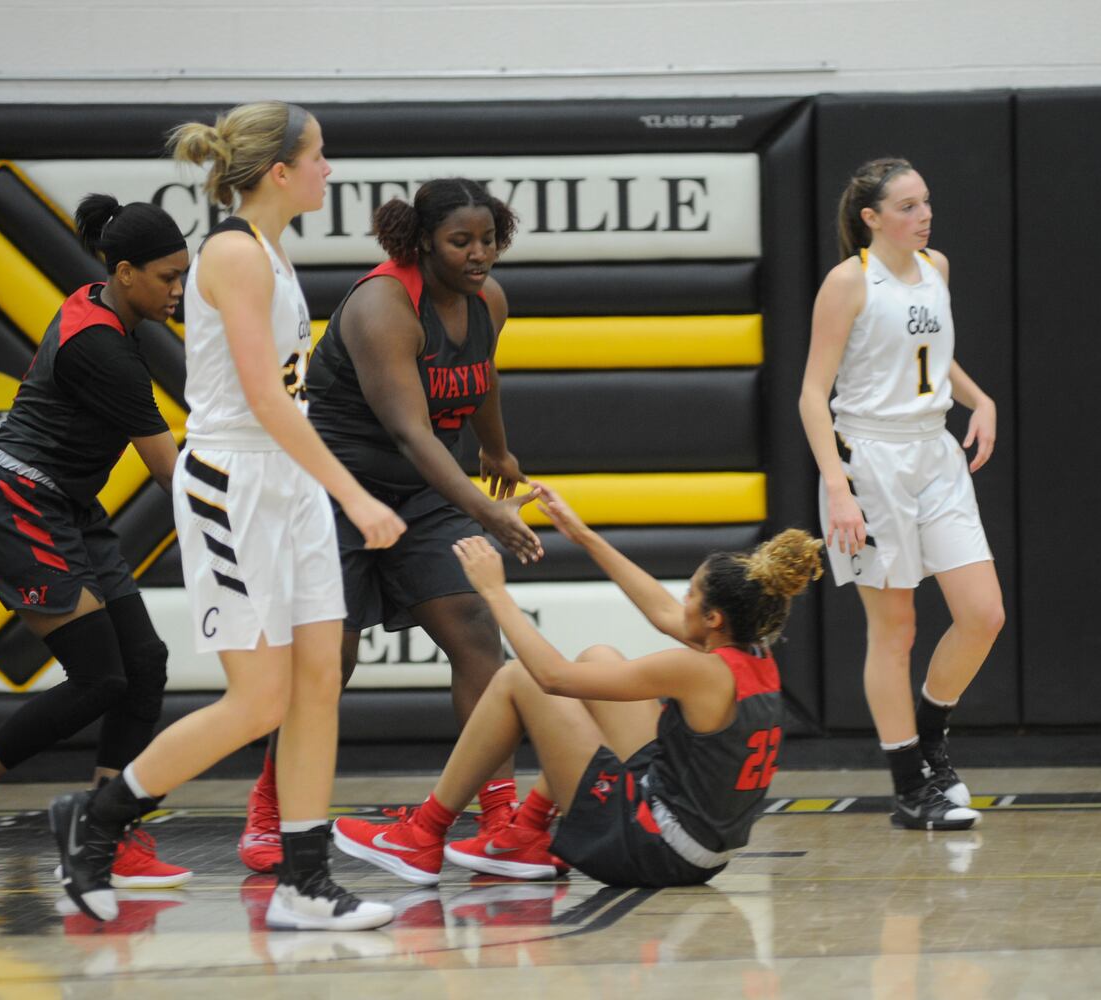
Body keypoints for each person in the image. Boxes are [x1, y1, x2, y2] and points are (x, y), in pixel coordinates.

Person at [48, 101, 406, 931]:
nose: (331, 168)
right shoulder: (234, 254)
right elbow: (259, 398)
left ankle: (303, 882)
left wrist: (325, 491)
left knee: (320, 681)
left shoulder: (273, 253)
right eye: (321, 155)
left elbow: (286, 400)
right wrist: (353, 493)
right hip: (233, 482)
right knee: (258, 700)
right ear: (280, 170)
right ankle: (95, 824)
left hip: (289, 481)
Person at [233, 178, 544, 873]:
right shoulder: (382, 306)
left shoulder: (487, 299)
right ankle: (270, 810)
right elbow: (410, 432)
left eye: (487, 239)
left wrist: (494, 448)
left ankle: (497, 817)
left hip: (422, 493)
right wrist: (484, 507)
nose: (478, 254)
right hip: (335, 492)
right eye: (459, 241)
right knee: (327, 665)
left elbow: (482, 375)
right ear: (421, 241)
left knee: (473, 632)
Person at [0, 194, 192, 889]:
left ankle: (106, 831)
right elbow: (167, 472)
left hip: (65, 507)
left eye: (185, 275)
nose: (179, 290)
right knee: (101, 679)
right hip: (16, 503)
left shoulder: (102, 304)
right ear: (124, 272)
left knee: (142, 663)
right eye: (167, 276)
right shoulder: (104, 350)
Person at [331, 484, 823, 888]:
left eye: (690, 594)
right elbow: (661, 611)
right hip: (701, 843)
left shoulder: (697, 671)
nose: (681, 600)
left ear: (714, 618)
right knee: (599, 658)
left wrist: (494, 592)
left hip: (659, 849)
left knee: (518, 677)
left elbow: (552, 678)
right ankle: (525, 833)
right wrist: (582, 535)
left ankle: (422, 834)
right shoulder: (752, 653)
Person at [798, 157, 1005, 831]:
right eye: (909, 207)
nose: (924, 215)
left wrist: (977, 398)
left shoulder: (934, 267)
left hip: (932, 451)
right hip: (869, 458)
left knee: (982, 614)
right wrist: (837, 486)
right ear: (872, 218)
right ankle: (907, 786)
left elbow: (928, 355)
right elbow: (810, 394)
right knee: (895, 629)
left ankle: (928, 739)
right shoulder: (846, 283)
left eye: (926, 203)